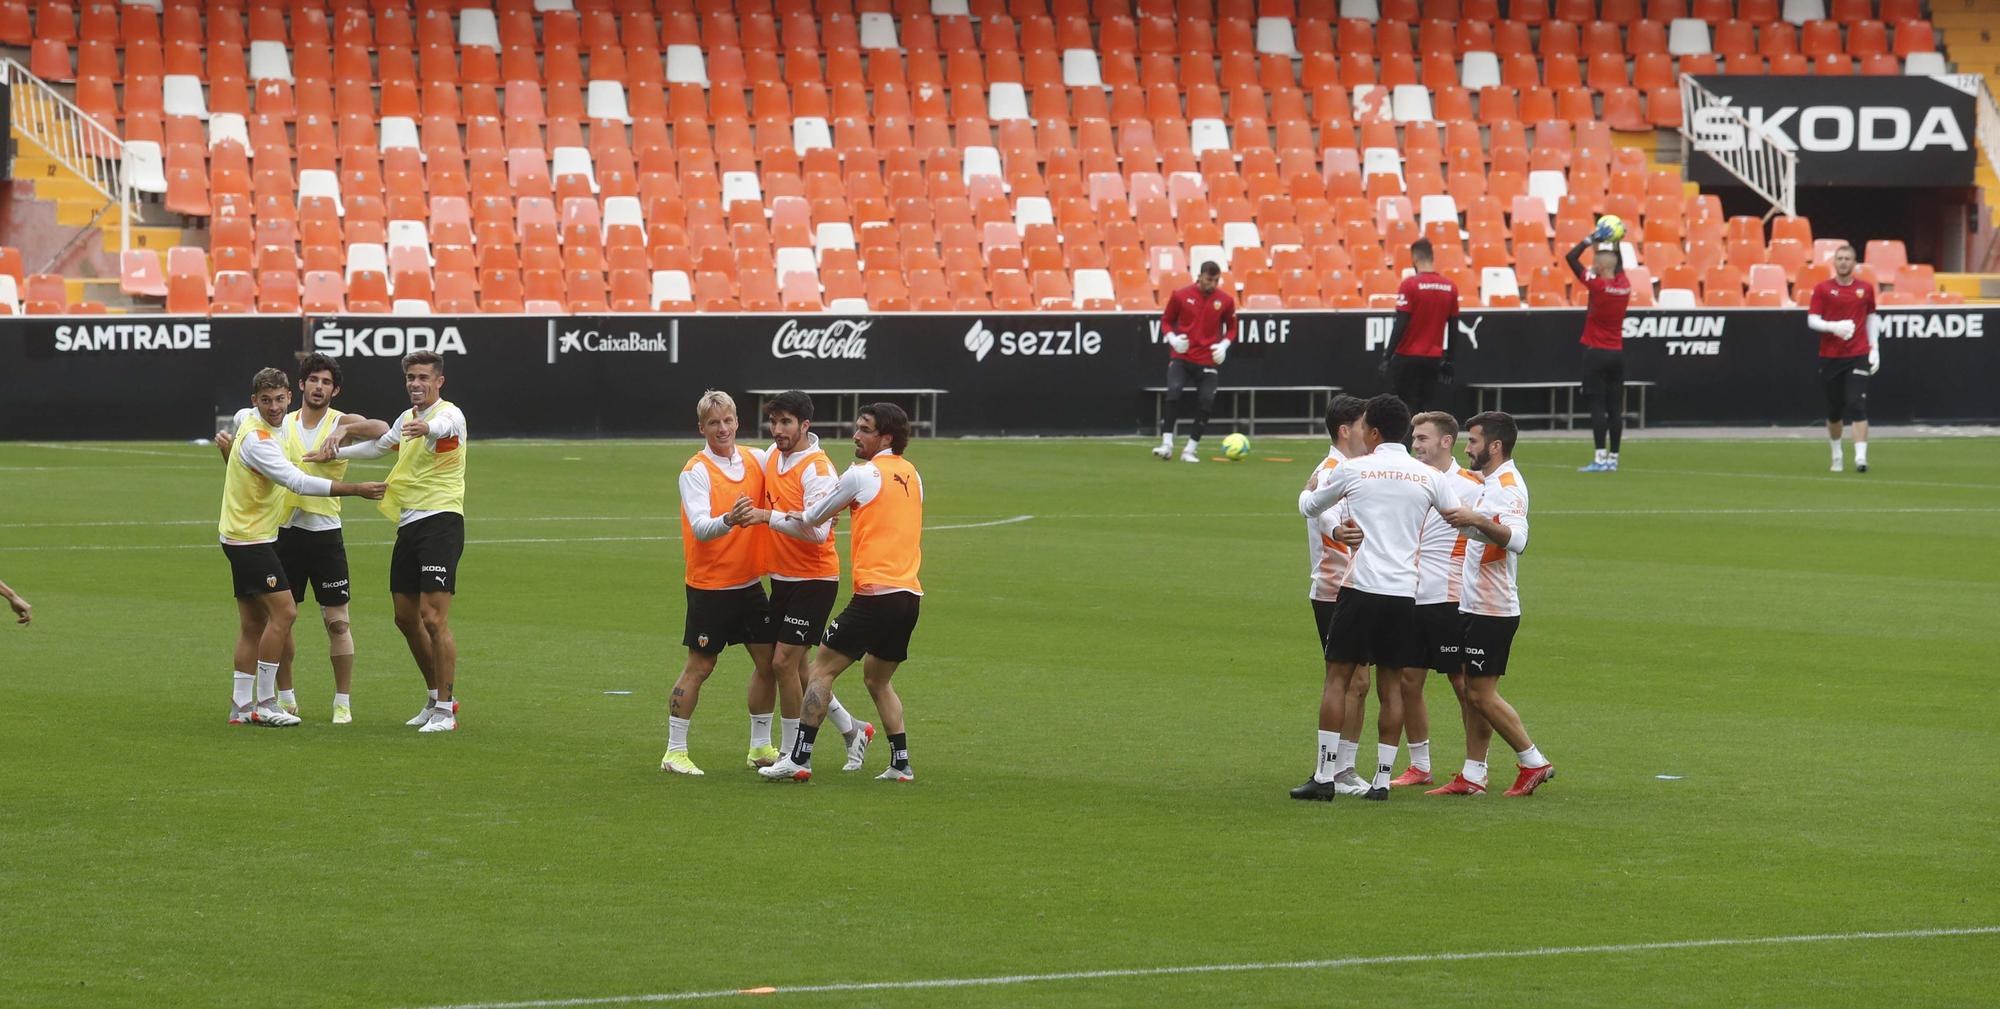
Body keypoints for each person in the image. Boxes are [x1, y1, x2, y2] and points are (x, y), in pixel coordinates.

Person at [1291, 394, 1462, 802]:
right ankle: (1382, 780)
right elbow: (1458, 518)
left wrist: (1306, 493)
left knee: (1337, 679)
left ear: (1373, 431)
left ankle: (1325, 776)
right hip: (1404, 592)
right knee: (1391, 685)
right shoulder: (1428, 476)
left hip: (1360, 587)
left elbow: (1311, 505)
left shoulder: (1354, 469)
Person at [751, 403, 924, 783]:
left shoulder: (861, 475)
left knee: (819, 672)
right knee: (877, 679)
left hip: (874, 596)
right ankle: (900, 763)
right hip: (909, 596)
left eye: (864, 430)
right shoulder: (913, 475)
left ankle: (800, 758)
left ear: (886, 437)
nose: (855, 436)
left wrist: (771, 516)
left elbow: (813, 518)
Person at [215, 354, 387, 722]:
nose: (274, 407)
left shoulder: (249, 420)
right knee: (285, 612)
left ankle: (241, 706)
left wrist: (344, 433)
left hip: (269, 533)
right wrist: (355, 488)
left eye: (278, 399)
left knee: (255, 623)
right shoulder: (263, 437)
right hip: (259, 537)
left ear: (288, 395)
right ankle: (268, 702)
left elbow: (382, 431)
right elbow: (296, 480)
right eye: (266, 401)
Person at [310, 350, 467, 733]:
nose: (416, 383)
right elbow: (380, 446)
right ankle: (433, 697)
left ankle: (448, 709)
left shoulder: (449, 414)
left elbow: (444, 426)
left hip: (442, 520)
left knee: (433, 617)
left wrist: (427, 429)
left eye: (424, 377)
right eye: (411, 377)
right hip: (410, 522)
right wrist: (332, 453)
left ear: (439, 381)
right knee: (404, 617)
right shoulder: (406, 418)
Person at [1430, 411, 1557, 797]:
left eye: (1473, 441)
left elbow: (1517, 540)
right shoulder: (1489, 484)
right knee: (1471, 690)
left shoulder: (1507, 485)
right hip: (1474, 603)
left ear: (1495, 446)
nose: (1467, 448)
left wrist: (1476, 521)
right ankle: (1473, 774)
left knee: (1481, 694)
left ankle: (1534, 761)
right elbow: (1481, 532)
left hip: (1493, 608)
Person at [658, 390, 783, 775]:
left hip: (749, 583)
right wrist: (729, 519)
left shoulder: (755, 458)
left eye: (728, 421)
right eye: (714, 423)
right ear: (702, 428)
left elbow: (792, 461)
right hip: (710, 586)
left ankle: (760, 747)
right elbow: (700, 527)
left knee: (769, 663)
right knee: (700, 666)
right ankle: (674, 752)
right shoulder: (695, 471)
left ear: (737, 422)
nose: (723, 429)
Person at [755, 391, 874, 771]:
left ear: (805, 425)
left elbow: (819, 534)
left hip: (814, 579)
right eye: (774, 422)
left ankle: (792, 755)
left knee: (782, 664)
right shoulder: (773, 455)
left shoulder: (817, 469)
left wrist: (766, 517)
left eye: (786, 422)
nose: (778, 430)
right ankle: (852, 729)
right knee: (802, 669)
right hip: (783, 577)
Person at [1389, 411, 1486, 789]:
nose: (1416, 445)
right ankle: (1420, 765)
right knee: (1408, 682)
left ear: (1446, 441)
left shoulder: (1471, 485)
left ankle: (1475, 768)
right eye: (1414, 438)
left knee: (1464, 686)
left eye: (1423, 438)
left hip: (1451, 599)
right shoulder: (1411, 479)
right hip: (1411, 594)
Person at [1302, 395, 1372, 796]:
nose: (1369, 434)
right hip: (1335, 590)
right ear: (1346, 430)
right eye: (1364, 426)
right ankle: (1335, 770)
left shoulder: (1352, 470)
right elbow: (1321, 510)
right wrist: (1336, 531)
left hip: (1355, 587)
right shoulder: (1333, 470)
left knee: (1359, 681)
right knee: (1350, 679)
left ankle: (1342, 767)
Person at [1153, 261, 1237, 463]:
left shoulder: (1225, 300)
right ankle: (1166, 444)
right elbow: (1166, 320)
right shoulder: (1180, 295)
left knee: (1207, 400)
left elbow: (1233, 328)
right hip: (1182, 356)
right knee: (1173, 392)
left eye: (1216, 280)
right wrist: (1172, 338)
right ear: (1199, 276)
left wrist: (1224, 346)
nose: (1213, 284)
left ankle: (1190, 449)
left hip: (1208, 359)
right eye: (1209, 279)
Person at [1807, 244, 1880, 473]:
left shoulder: (1865, 289)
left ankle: (1861, 458)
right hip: (1830, 356)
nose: (1843, 262)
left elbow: (1872, 318)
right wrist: (1833, 327)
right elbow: (1812, 320)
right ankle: (1837, 453)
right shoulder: (1823, 289)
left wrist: (1874, 347)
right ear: (1834, 262)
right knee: (1835, 410)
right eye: (1840, 258)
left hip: (1857, 353)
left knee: (1857, 404)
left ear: (1854, 262)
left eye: (1848, 258)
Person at [1566, 226, 1633, 473]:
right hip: (1617, 353)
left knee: (1597, 405)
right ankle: (1614, 458)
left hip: (1595, 353)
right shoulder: (1624, 285)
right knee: (1615, 407)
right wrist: (1615, 241)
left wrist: (1590, 238)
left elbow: (1570, 258)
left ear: (1600, 266)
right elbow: (1621, 266)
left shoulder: (1598, 286)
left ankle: (1599, 457)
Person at [1378, 239, 1460, 411]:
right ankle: (1424, 438)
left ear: (1414, 259)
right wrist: (1450, 360)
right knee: (1426, 409)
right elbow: (1453, 327)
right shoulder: (1450, 287)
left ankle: (1405, 439)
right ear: (1432, 257)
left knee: (1404, 409)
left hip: (1407, 356)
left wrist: (1387, 356)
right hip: (1433, 358)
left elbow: (1401, 323)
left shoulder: (1410, 285)